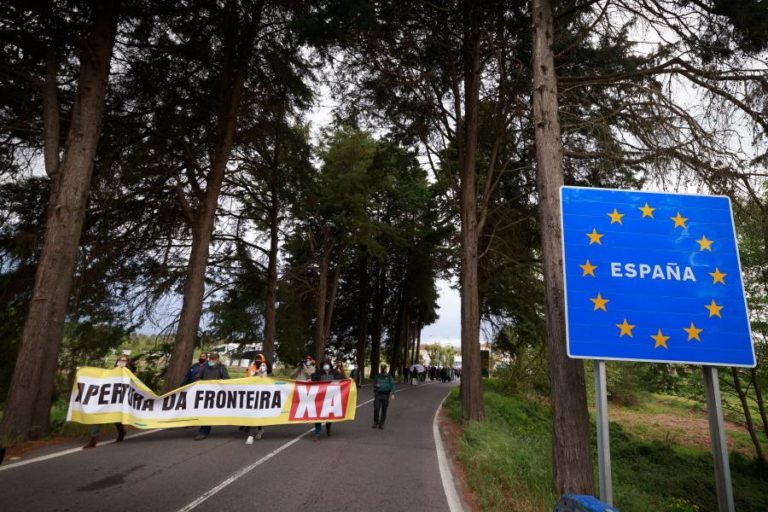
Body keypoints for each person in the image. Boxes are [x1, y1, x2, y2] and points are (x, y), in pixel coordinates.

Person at [83, 355, 131, 449]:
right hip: (109, 397)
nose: (122, 362)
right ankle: (93, 440)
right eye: (120, 360)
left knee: (115, 418)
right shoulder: (111, 372)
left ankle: (121, 432)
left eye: (124, 360)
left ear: (127, 362)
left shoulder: (128, 373)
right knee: (97, 415)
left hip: (120, 399)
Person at [193, 352, 229, 440]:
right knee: (206, 412)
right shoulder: (204, 367)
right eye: (210, 359)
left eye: (213, 359)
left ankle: (204, 431)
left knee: (213, 412)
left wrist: (219, 382)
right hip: (205, 394)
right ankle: (203, 431)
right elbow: (197, 378)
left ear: (217, 360)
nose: (211, 360)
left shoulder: (222, 368)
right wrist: (201, 382)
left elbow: (227, 379)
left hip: (217, 395)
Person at [310, 359, 341, 440]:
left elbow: (341, 379)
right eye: (324, 364)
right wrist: (310, 379)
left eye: (327, 364)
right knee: (318, 415)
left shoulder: (334, 372)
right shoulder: (319, 372)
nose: (325, 366)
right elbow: (313, 377)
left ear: (330, 365)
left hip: (330, 398)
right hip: (320, 398)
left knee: (328, 415)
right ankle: (317, 433)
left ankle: (328, 429)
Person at [244, 355, 270, 444]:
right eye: (257, 359)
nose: (259, 361)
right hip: (252, 394)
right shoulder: (252, 369)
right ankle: (253, 433)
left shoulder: (268, 373)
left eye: (262, 362)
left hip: (263, 396)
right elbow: (247, 379)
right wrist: (256, 373)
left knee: (258, 414)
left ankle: (257, 431)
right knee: (253, 414)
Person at [372, 364, 394, 430]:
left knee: (384, 410)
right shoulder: (377, 376)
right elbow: (374, 384)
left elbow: (392, 385)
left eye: (384, 368)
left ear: (386, 369)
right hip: (378, 394)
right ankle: (376, 422)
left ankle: (381, 424)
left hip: (386, 395)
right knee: (376, 408)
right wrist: (376, 385)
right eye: (382, 368)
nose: (383, 370)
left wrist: (392, 393)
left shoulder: (389, 376)